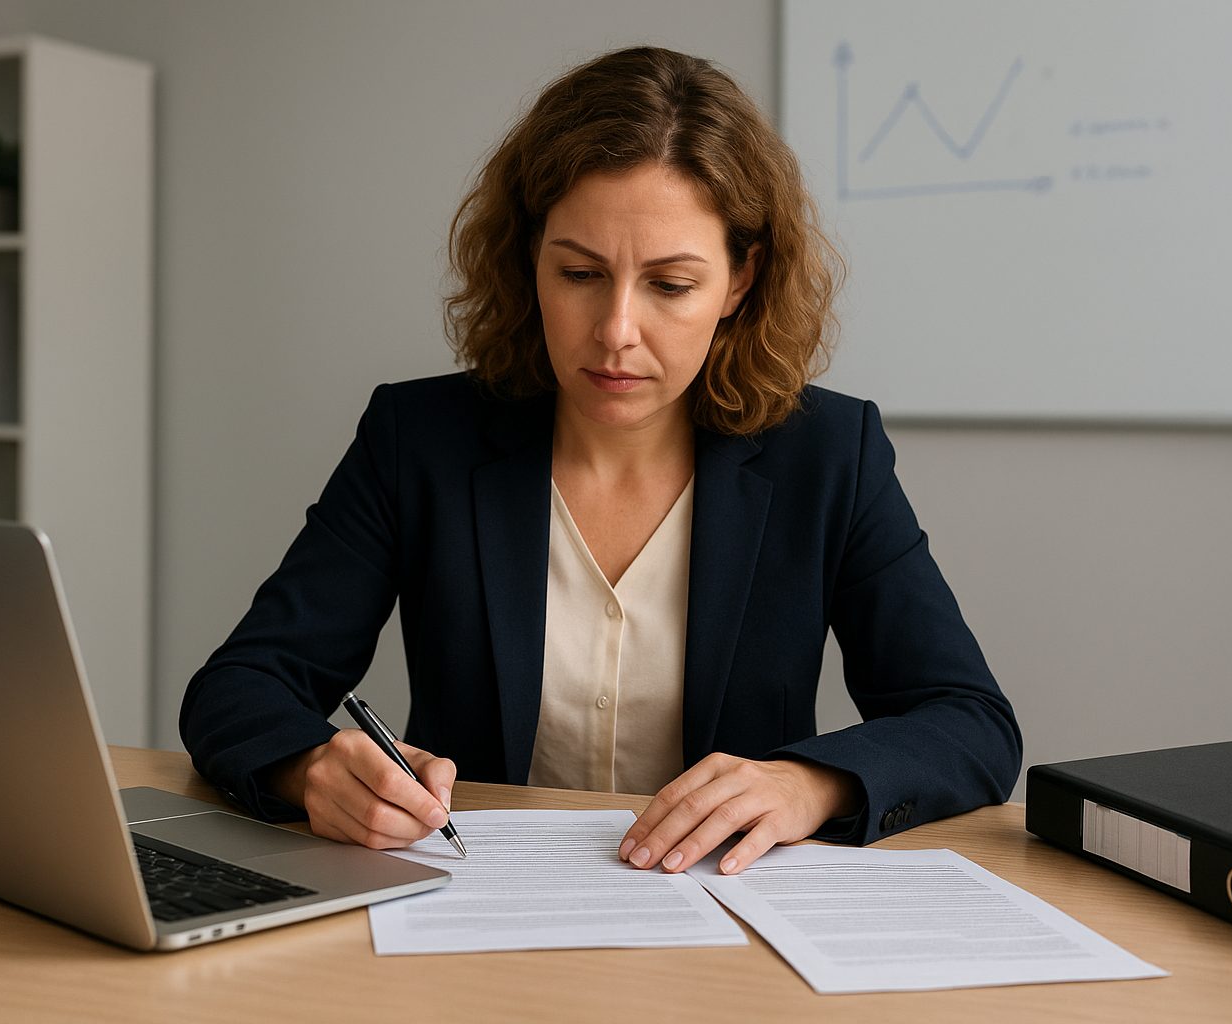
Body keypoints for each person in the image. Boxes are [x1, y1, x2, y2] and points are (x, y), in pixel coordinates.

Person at [180, 46, 1021, 877]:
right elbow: (241, 686)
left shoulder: (830, 455)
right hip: (471, 907)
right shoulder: (419, 438)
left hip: (726, 920)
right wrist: (310, 766)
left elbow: (970, 721)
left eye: (670, 285)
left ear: (739, 281)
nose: (616, 330)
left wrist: (810, 783)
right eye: (580, 273)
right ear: (529, 260)